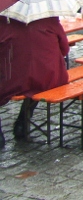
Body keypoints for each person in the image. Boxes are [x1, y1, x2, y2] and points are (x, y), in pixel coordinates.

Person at [0, 16, 70, 145]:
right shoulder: (50, 20)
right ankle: (22, 123)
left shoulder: (5, 21)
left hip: (13, 78)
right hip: (48, 76)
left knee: (25, 79)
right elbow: (65, 49)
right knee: (37, 82)